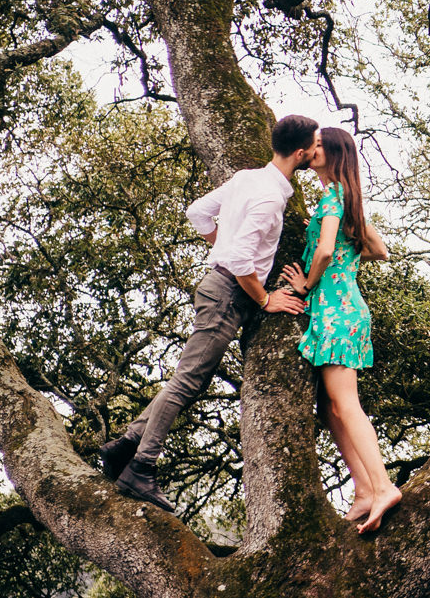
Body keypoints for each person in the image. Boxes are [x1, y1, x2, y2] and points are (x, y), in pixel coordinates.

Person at [98, 115, 316, 512]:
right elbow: (237, 258)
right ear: (301, 153)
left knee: (190, 381)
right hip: (229, 294)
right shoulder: (269, 198)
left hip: (219, 287)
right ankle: (141, 467)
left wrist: (223, 245)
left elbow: (198, 212)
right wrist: (265, 299)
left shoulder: (249, 178)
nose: (318, 152)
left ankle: (126, 445)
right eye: (315, 146)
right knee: (187, 382)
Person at [280, 126, 398, 533]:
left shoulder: (334, 197)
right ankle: (365, 491)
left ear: (332, 152)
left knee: (345, 405)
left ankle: (383, 486)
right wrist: (352, 247)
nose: (312, 150)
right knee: (331, 410)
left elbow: (327, 250)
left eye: (318, 146)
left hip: (336, 310)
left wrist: (307, 284)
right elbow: (380, 250)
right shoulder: (345, 199)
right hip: (340, 310)